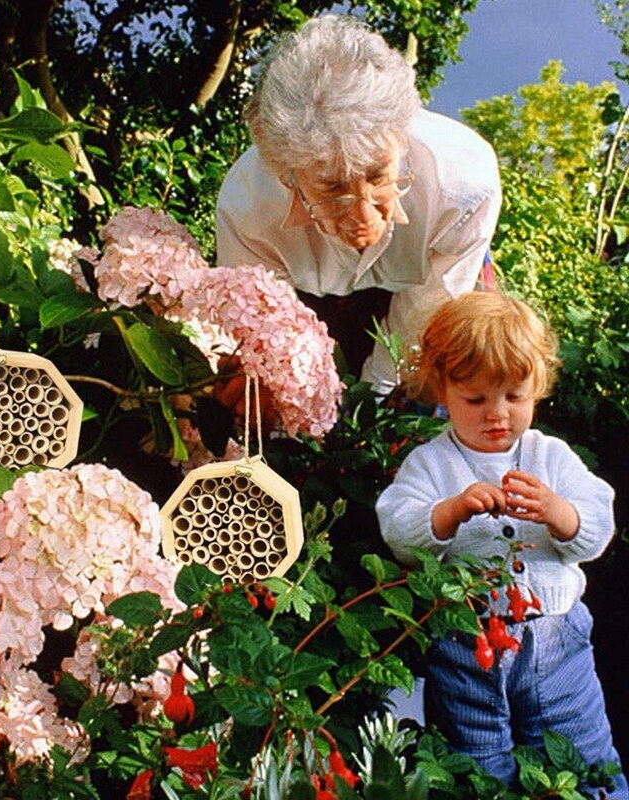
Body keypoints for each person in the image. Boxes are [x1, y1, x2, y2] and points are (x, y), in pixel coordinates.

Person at [375, 291, 627, 797]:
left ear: (537, 387)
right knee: (475, 763)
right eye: (476, 399)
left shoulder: (550, 456)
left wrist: (561, 514)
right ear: (442, 390)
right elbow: (400, 530)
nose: (498, 414)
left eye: (515, 396)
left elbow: (598, 525)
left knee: (579, 750)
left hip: (555, 642)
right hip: (465, 645)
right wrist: (450, 512)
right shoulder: (431, 464)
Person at [216, 13, 502, 394]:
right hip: (307, 299)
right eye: (333, 189)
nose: (364, 217)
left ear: (400, 138)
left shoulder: (463, 184)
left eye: (379, 176)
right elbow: (267, 330)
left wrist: (376, 394)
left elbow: (424, 311)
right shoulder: (247, 206)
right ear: (288, 174)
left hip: (426, 287)